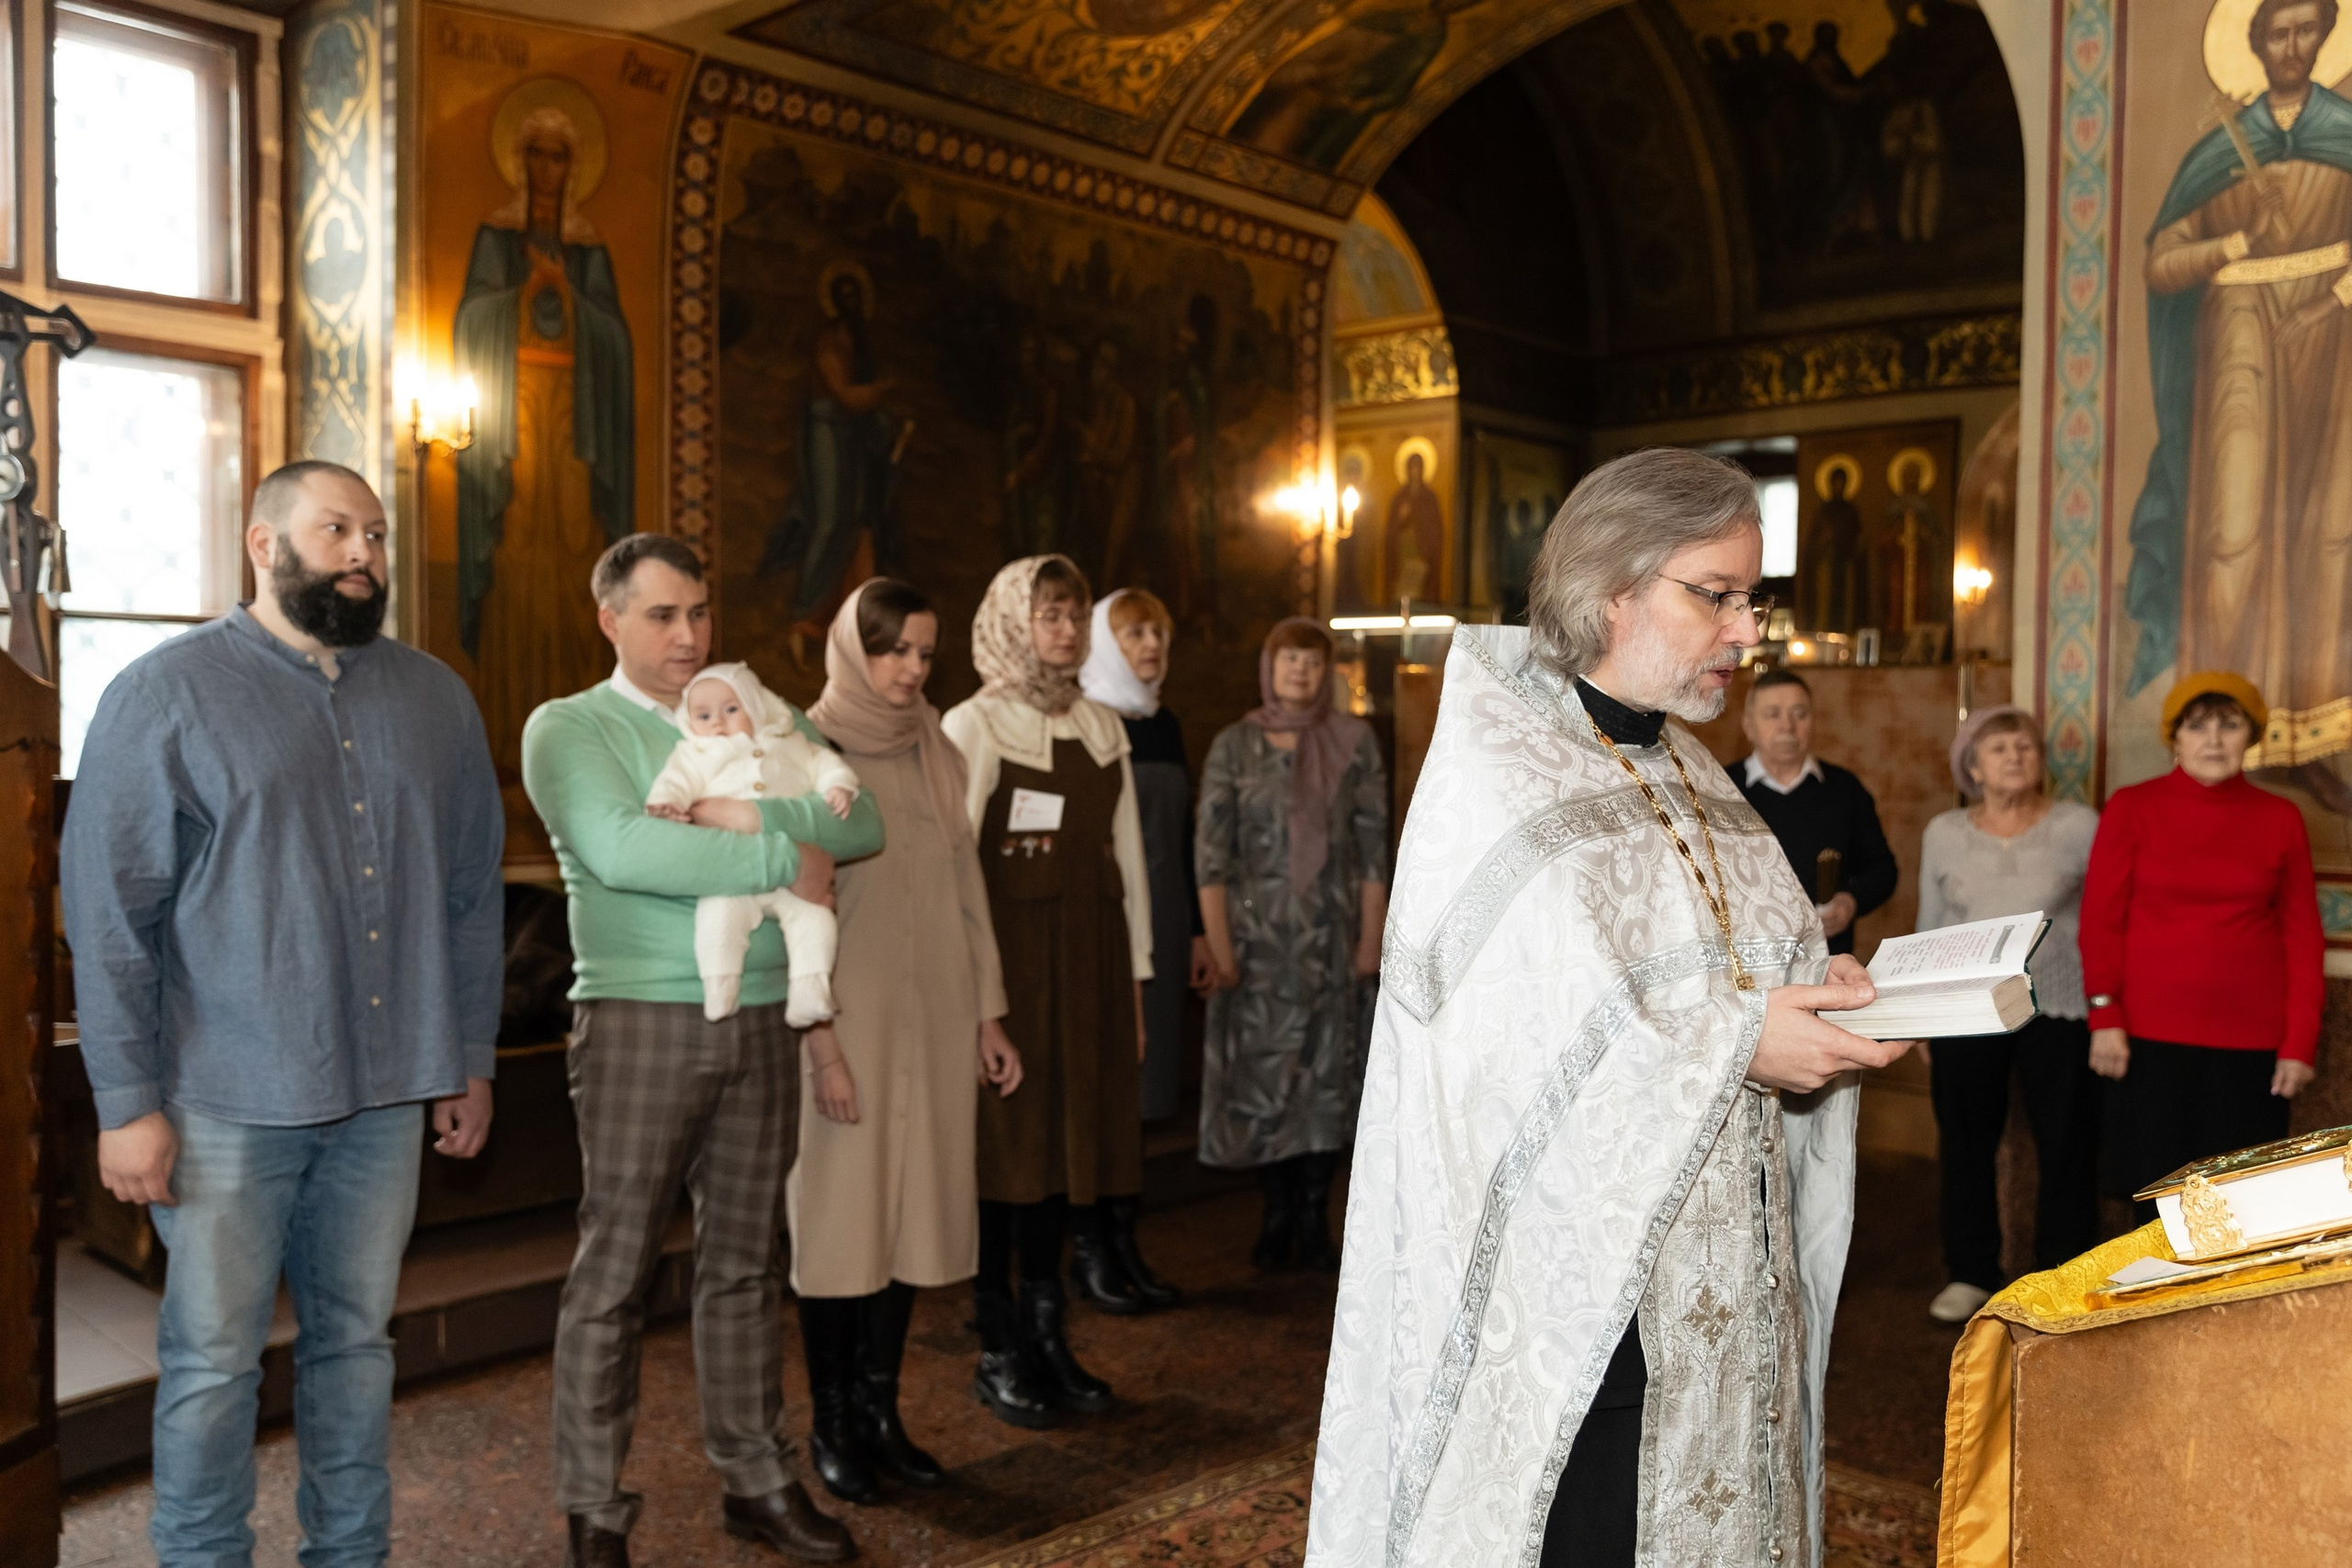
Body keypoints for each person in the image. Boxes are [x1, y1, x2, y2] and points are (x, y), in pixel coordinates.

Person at [1307, 448, 1910, 1568]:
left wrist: (1815, 994)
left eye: (1754, 600)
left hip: (1725, 1280)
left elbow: (1729, 963)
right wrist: (1743, 1041)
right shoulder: (1500, 774)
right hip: (1586, 1309)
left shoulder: (1695, 772)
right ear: (1610, 590)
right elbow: (1504, 1041)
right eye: (1716, 596)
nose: (1746, 633)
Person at [61, 460, 503, 1568]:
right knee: (214, 1361)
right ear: (265, 545)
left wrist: (470, 1054)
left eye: (377, 535)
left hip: (387, 1091)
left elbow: (468, 897)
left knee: (356, 1348)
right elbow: (110, 917)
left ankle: (350, 1554)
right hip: (224, 1098)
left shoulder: (436, 698)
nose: (364, 553)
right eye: (337, 530)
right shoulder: (163, 695)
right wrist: (125, 1105)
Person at [522, 535, 882, 1568]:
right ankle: (594, 1508)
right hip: (641, 1012)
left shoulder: (751, 702)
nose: (688, 636)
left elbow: (861, 823)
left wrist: (749, 820)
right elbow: (624, 848)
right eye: (661, 616)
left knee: (746, 1263)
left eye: (699, 612)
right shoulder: (571, 726)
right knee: (616, 1270)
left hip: (767, 1011)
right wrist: (783, 851)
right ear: (611, 620)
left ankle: (757, 1479)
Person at [788, 579, 1025, 1496]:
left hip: (937, 1013)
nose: (911, 669)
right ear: (855, 649)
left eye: (925, 653)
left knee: (913, 1215)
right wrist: (820, 1042)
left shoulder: (936, 746)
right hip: (848, 1018)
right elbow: (791, 907)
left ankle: (881, 1412)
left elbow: (967, 889)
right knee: (839, 1223)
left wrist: (988, 1014)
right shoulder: (805, 749)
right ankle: (832, 1421)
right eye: (892, 650)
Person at [943, 556, 1154, 1424]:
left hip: (1091, 965)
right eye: (1049, 615)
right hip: (1011, 974)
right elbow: (955, 870)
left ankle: (1048, 1330)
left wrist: (1135, 985)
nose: (1065, 631)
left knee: (1070, 1157)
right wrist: (975, 1002)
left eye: (1074, 615)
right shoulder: (974, 723)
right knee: (1009, 1157)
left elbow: (1128, 863)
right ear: (1011, 623)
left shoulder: (1103, 724)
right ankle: (1000, 1343)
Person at [2081, 671, 2321, 1215]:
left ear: (2251, 736)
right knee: (2154, 1205)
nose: (2213, 740)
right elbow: (2100, 922)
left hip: (2251, 1046)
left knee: (2242, 1207)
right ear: (2175, 737)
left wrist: (2300, 1042)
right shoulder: (2132, 807)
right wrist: (2104, 1015)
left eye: (2229, 725)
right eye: (2197, 726)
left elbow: (2303, 938)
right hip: (2145, 1040)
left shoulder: (2281, 818)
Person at [1195, 617, 1388, 1271]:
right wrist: (1219, 944)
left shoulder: (1355, 742)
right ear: (1268, 667)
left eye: (1311, 661)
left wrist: (1370, 938)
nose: (1300, 671)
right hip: (1257, 946)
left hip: (1331, 943)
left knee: (1326, 1080)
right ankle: (1275, 1210)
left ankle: (1312, 1212)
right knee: (1266, 1078)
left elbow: (1373, 848)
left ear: (1326, 671)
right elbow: (1211, 855)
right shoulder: (1234, 745)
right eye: (1289, 659)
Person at [1916, 705, 2102, 1324]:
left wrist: (2110, 1008)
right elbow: (1931, 925)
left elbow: (2106, 917)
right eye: (1998, 749)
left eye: (2024, 747)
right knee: (1965, 1142)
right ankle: (1970, 1272)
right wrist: (1923, 1015)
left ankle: (2064, 1271)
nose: (2015, 757)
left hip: (2060, 1003)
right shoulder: (1944, 832)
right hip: (1968, 1007)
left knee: (2067, 1141)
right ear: (1972, 767)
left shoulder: (2079, 826)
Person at [1072, 586, 1203, 1313]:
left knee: (1145, 1097)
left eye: (1158, 633)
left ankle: (1123, 1239)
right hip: (1109, 923)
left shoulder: (1166, 721)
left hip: (1167, 918)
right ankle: (1089, 1245)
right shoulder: (1084, 718)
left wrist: (1196, 932)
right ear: (1103, 641)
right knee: (1104, 1092)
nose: (1150, 646)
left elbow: (1182, 839)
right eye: (1133, 634)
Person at [646, 661, 859, 1024]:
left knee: (816, 918)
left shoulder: (790, 744)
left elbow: (823, 762)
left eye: (731, 709)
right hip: (733, 872)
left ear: (757, 707)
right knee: (717, 917)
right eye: (703, 716)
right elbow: (676, 780)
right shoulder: (695, 753)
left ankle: (810, 993)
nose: (717, 723)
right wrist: (667, 802)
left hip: (794, 875)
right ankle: (720, 987)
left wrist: (838, 784)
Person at [1734, 668, 1899, 954]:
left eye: (1799, 714)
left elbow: (1882, 869)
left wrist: (1851, 902)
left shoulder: (1844, 788)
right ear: (1749, 726)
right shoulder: (1722, 789)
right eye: (1772, 714)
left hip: (1827, 957)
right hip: (1746, 958)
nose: (1787, 726)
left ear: (1813, 721)